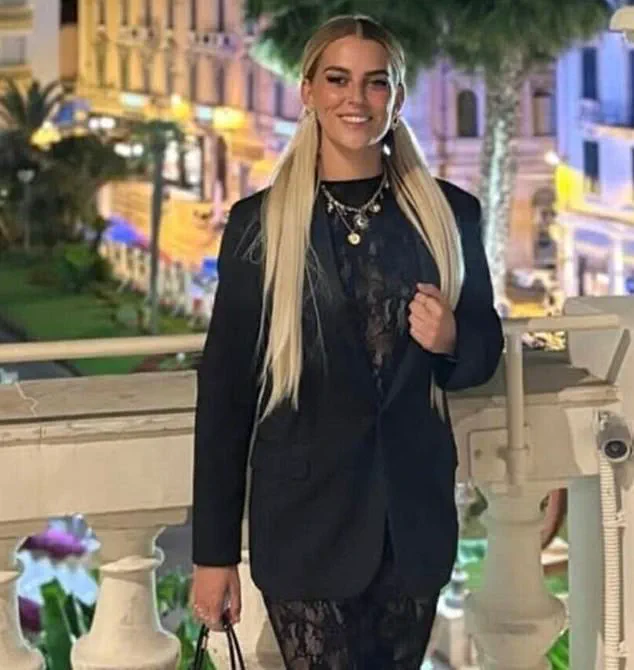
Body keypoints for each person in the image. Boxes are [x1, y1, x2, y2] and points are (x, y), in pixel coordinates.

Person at [191, 14, 503, 670]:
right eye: (337, 80)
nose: (355, 99)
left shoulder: (450, 214)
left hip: (412, 527)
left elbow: (482, 353)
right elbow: (224, 399)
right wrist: (213, 555)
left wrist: (451, 338)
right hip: (303, 529)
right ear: (308, 91)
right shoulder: (260, 225)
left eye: (375, 83)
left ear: (397, 96)